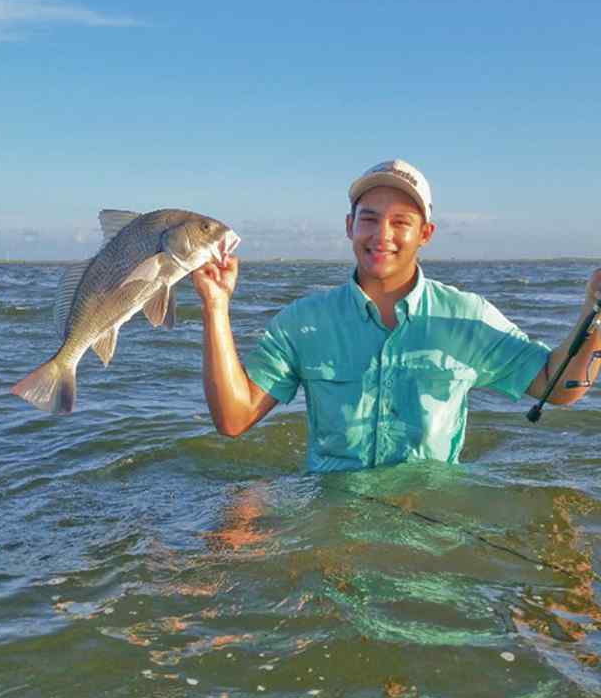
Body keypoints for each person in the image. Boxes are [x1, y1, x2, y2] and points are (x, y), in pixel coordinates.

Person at [192, 159, 601, 473]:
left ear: (425, 234)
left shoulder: (468, 316)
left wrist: (594, 317)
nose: (382, 235)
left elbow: (559, 386)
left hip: (429, 536)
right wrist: (216, 305)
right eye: (369, 219)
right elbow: (233, 418)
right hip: (334, 533)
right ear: (350, 226)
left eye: (401, 222)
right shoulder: (302, 322)